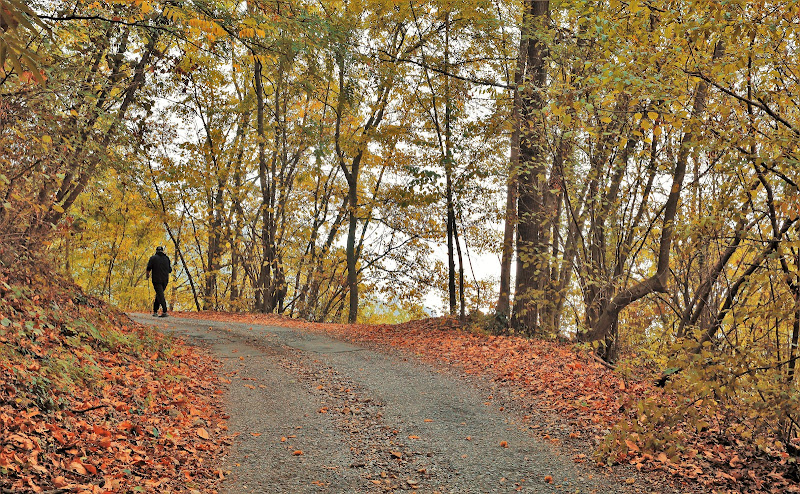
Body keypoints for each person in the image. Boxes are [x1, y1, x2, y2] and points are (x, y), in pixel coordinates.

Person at [146, 246, 172, 317]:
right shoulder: (167, 258)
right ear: (162, 251)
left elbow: (148, 268)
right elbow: (170, 270)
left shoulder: (153, 258)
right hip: (165, 280)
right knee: (159, 294)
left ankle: (164, 311)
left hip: (156, 280)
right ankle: (155, 311)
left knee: (160, 294)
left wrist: (147, 275)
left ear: (156, 251)